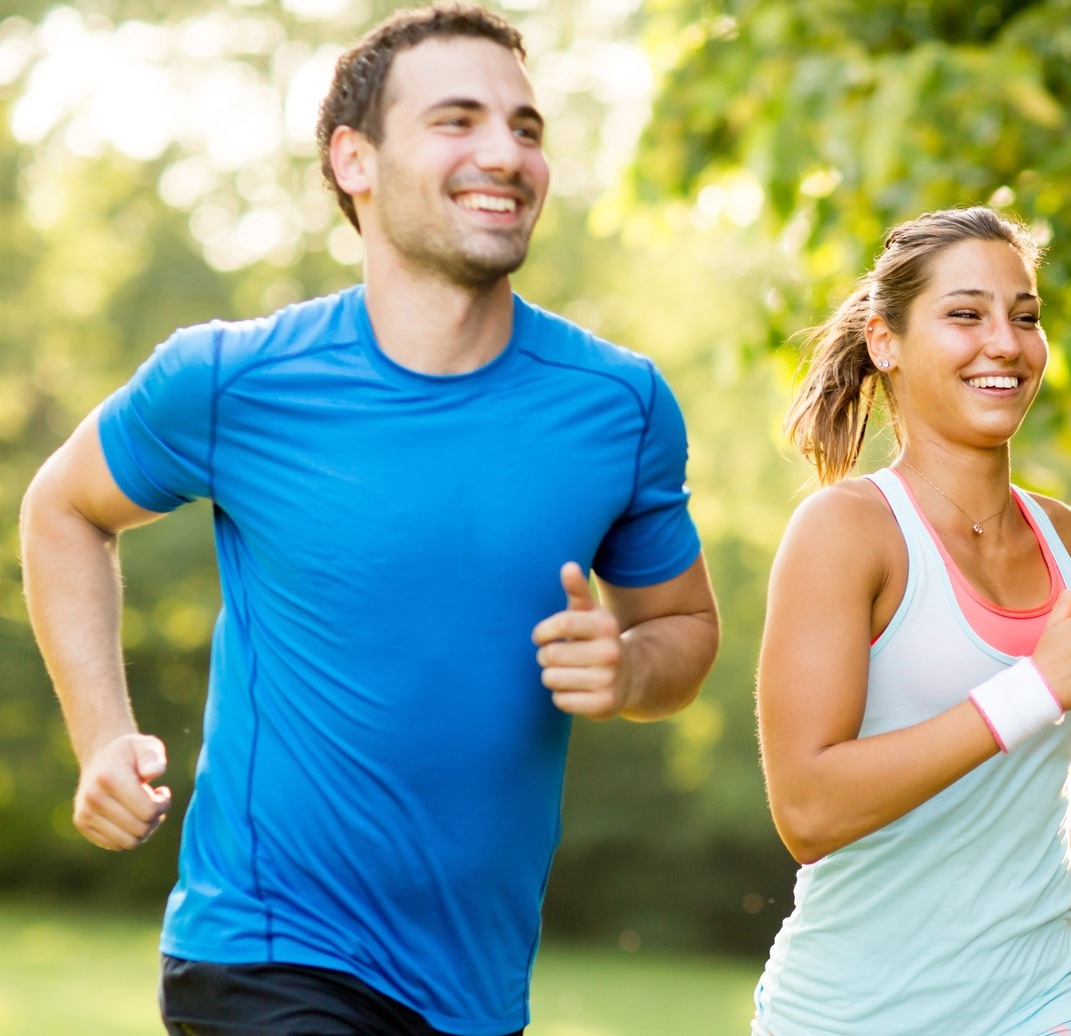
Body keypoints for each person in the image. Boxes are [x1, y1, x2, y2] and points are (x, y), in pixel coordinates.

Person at [19, 5, 719, 1035]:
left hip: (475, 988)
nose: (506, 153)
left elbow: (684, 631)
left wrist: (627, 671)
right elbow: (63, 507)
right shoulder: (230, 380)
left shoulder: (618, 405)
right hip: (265, 949)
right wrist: (102, 737)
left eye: (526, 129)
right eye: (458, 120)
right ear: (355, 158)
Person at [751, 207, 1071, 1035]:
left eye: (1025, 316)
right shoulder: (846, 532)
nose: (1005, 344)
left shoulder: (1064, 539)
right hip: (850, 1012)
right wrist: (1039, 683)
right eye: (964, 315)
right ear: (884, 341)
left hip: (1032, 998)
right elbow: (809, 811)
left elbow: (990, 741)